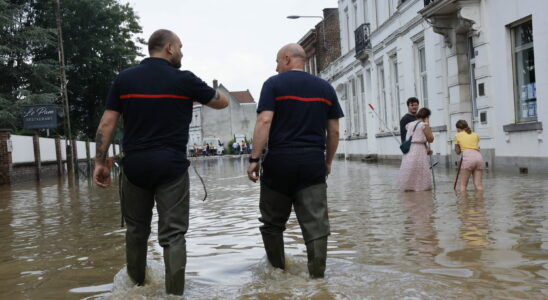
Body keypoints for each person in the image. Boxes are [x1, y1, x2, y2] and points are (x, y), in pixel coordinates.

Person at [93, 29, 228, 296]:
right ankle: (175, 294)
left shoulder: (125, 79)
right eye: (180, 46)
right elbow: (222, 102)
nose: (182, 52)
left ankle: (135, 290)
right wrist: (200, 89)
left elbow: (107, 123)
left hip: (135, 166)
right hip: (171, 167)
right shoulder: (185, 80)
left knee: (136, 231)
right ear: (168, 48)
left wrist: (101, 163)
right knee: (174, 235)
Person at [247, 43, 344, 278]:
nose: (276, 66)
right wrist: (327, 161)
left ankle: (277, 273)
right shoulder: (325, 88)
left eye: (278, 61)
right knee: (317, 225)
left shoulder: (273, 84)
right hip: (312, 162)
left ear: (288, 59)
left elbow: (264, 122)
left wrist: (254, 158)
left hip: (279, 161)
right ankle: (318, 278)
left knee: (272, 223)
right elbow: (334, 132)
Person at [397, 108, 434, 191]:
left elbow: (415, 137)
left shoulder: (409, 125)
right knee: (421, 170)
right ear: (426, 116)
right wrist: (428, 126)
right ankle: (421, 190)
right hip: (419, 150)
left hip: (410, 149)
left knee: (410, 170)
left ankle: (409, 189)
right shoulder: (424, 125)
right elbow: (430, 139)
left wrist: (427, 148)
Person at [454, 119, 484, 191]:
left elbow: (457, 151)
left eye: (457, 129)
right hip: (478, 157)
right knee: (478, 185)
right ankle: (480, 201)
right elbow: (476, 145)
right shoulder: (475, 134)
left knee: (463, 185)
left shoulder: (457, 135)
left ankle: (464, 202)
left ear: (458, 128)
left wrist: (460, 147)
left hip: (468, 158)